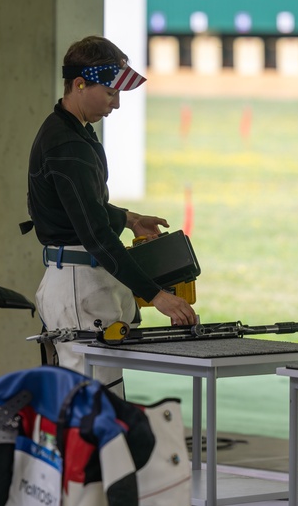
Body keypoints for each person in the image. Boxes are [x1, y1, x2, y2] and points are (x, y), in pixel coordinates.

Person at [24, 35, 197, 395]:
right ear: (79, 84)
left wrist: (130, 219)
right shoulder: (68, 143)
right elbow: (95, 234)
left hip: (80, 279)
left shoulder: (73, 131)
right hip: (77, 283)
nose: (116, 105)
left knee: (98, 400)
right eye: (110, 93)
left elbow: (79, 206)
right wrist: (157, 294)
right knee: (93, 406)